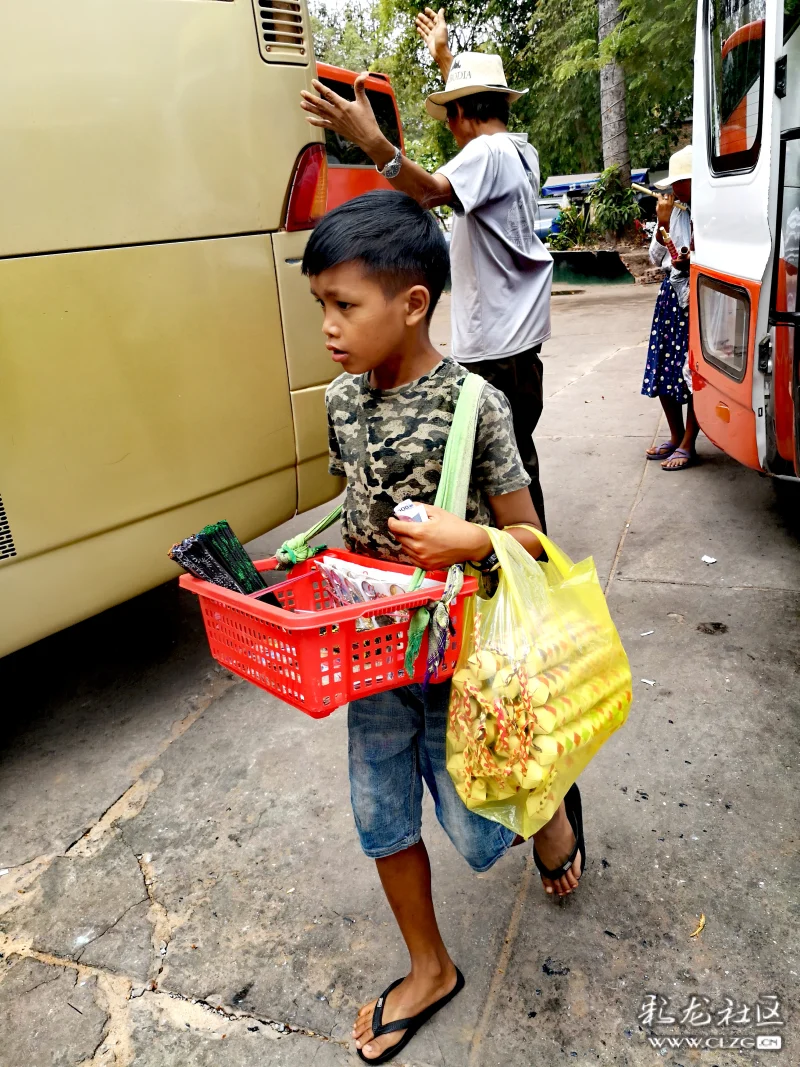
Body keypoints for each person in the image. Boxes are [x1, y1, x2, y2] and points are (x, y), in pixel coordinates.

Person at [303, 191, 583, 1064]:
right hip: (373, 654)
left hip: (468, 664)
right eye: (321, 305)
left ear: (412, 302)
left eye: (343, 305)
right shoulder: (341, 404)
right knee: (379, 813)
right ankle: (429, 967)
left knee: (475, 827)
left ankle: (549, 811)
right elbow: (354, 508)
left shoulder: (477, 407)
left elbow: (532, 544)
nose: (328, 327)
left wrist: (471, 541)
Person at [301, 7, 553, 529]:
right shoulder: (519, 152)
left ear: (461, 115)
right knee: (513, 466)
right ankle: (527, 568)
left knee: (497, 483)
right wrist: (446, 59)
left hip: (495, 349)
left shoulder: (487, 152)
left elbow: (430, 191)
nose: (453, 136)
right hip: (520, 343)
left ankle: (525, 573)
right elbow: (471, 113)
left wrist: (373, 142)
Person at [642, 145, 700, 471]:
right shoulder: (673, 212)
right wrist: (661, 224)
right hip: (671, 295)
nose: (675, 190)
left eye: (682, 183)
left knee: (695, 373)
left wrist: (693, 257)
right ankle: (676, 436)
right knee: (664, 365)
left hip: (698, 296)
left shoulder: (708, 209)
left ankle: (690, 441)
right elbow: (656, 257)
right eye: (674, 184)